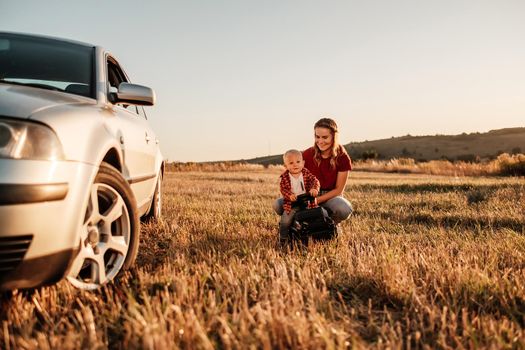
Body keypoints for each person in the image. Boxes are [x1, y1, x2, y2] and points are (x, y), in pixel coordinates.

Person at [273, 118, 353, 230]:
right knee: (278, 204)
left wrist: (317, 200)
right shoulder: (307, 154)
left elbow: (339, 190)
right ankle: (298, 222)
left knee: (344, 208)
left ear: (334, 137)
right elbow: (291, 172)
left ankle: (331, 225)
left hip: (330, 197)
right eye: (317, 137)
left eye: (325, 137)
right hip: (307, 195)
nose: (320, 141)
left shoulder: (342, 157)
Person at [278, 149, 320, 242]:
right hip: (293, 203)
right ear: (286, 166)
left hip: (308, 202)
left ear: (303, 163)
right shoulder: (284, 177)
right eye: (291, 163)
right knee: (285, 220)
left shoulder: (306, 173)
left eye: (298, 162)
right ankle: (283, 238)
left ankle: (314, 236)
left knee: (314, 218)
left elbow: (315, 180)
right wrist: (289, 195)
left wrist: (314, 188)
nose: (295, 164)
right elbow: (283, 189)